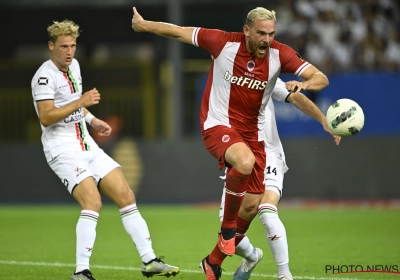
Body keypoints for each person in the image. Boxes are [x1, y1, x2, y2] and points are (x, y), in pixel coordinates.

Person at [131, 6, 331, 280]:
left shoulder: (279, 55)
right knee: (245, 164)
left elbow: (320, 77)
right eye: (261, 33)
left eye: (271, 34)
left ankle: (213, 261)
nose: (266, 39)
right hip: (218, 125)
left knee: (250, 207)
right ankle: (231, 235)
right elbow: (178, 32)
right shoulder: (222, 42)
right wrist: (144, 25)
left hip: (254, 138)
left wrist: (306, 86)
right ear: (246, 30)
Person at [31, 19, 179, 280]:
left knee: (126, 195)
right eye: (63, 46)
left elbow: (75, 105)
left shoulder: (74, 66)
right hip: (62, 149)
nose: (69, 51)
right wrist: (82, 101)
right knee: (93, 202)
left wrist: (92, 119)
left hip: (86, 143)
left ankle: (150, 260)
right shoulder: (44, 77)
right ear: (51, 46)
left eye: (73, 45)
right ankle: (81, 272)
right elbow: (46, 116)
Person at [219, 78, 341, 280]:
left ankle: (284, 275)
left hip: (268, 154)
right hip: (240, 159)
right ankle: (252, 257)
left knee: (267, 211)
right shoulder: (220, 86)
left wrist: (322, 119)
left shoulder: (260, 76)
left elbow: (295, 97)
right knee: (227, 232)